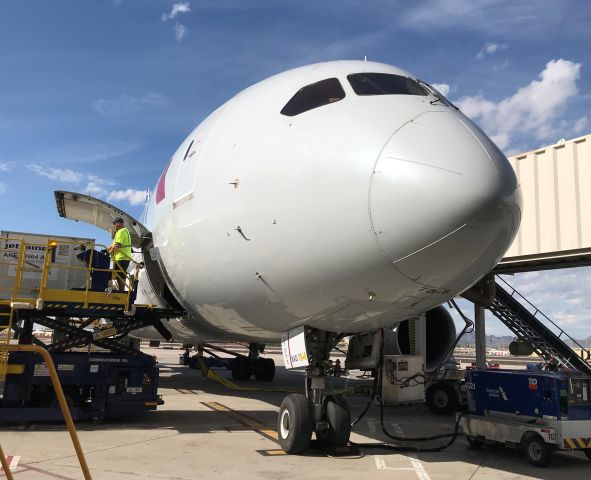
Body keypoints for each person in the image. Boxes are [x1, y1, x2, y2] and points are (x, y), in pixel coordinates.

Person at [107, 217, 132, 292]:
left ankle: (121, 292)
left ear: (118, 223)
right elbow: (113, 244)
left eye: (114, 224)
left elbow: (117, 245)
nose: (114, 226)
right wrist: (106, 249)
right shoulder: (124, 231)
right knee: (119, 275)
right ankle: (120, 291)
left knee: (119, 275)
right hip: (123, 257)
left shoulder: (121, 231)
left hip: (121, 257)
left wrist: (110, 252)